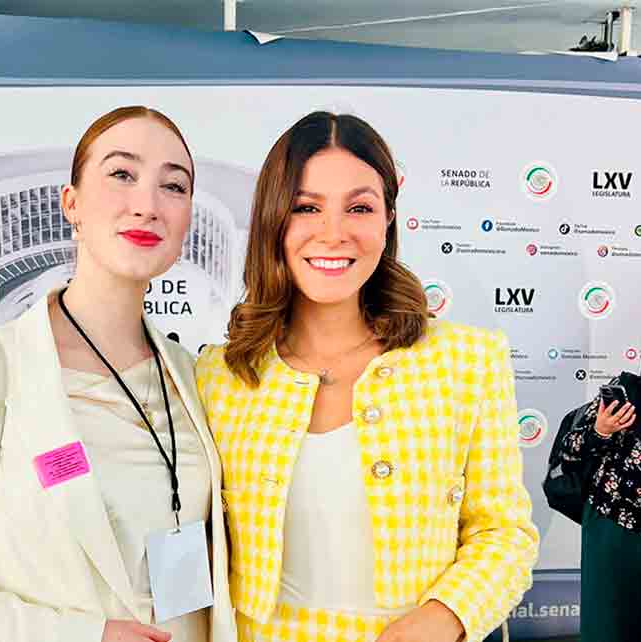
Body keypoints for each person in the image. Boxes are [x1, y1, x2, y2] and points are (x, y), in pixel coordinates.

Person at [0, 106, 236, 642]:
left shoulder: (197, 378)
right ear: (72, 204)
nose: (148, 205)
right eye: (121, 174)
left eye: (174, 186)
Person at [196, 111, 539, 642]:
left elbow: (504, 533)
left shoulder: (468, 361)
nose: (334, 234)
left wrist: (444, 618)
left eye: (359, 207)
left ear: (387, 222)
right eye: (306, 207)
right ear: (272, 222)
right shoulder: (220, 376)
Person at [557, 329, 641, 642]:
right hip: (615, 534)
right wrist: (601, 430)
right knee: (610, 627)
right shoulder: (624, 394)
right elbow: (569, 451)